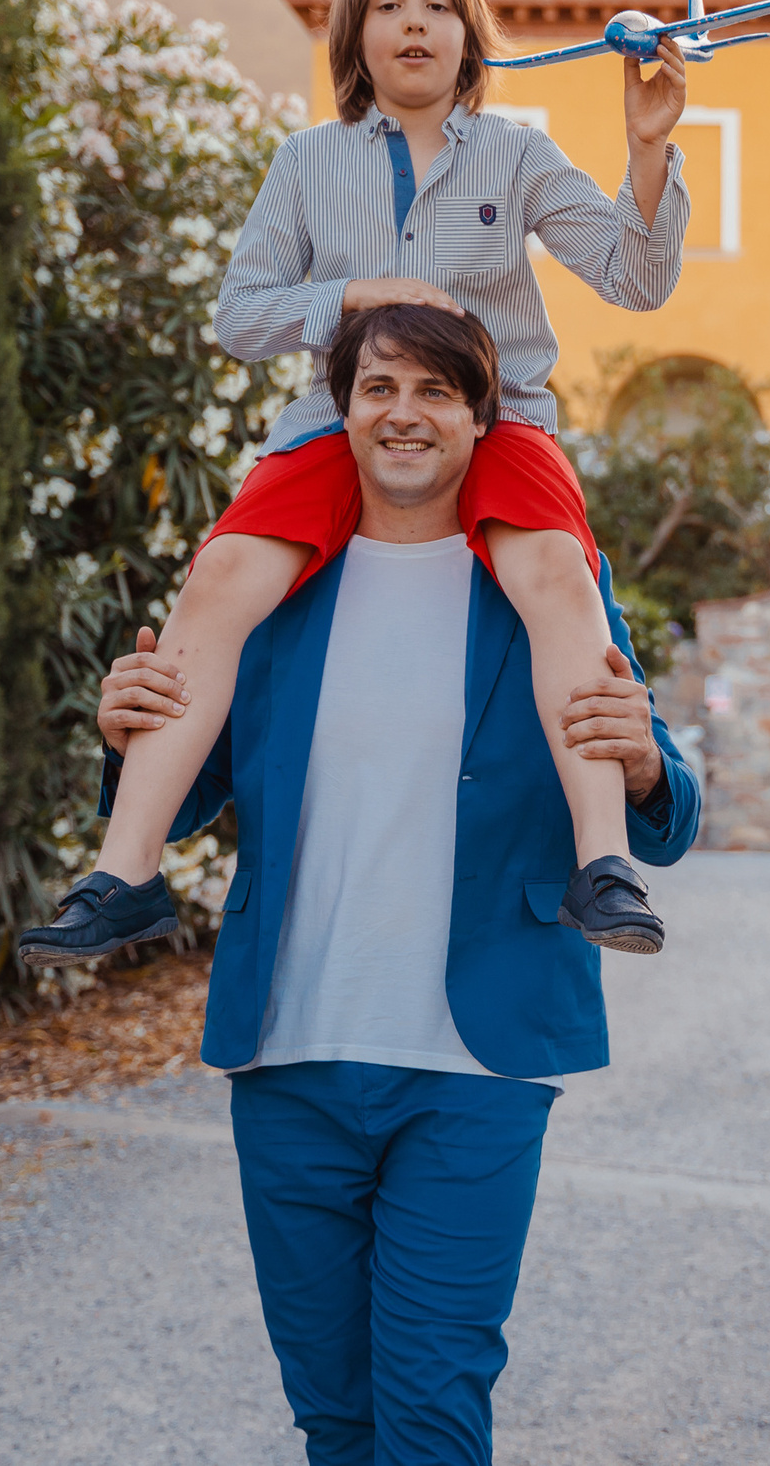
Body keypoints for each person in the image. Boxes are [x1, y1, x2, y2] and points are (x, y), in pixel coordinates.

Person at [86, 301, 698, 1466]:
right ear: (342, 411)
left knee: (429, 1406)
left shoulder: (543, 577)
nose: (403, 414)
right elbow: (202, 776)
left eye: (433, 392)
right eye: (378, 389)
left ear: (481, 418)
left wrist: (645, 761)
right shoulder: (277, 577)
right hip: (291, 1050)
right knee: (334, 1408)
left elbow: (651, 803)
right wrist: (126, 738)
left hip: (476, 1065)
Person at [19, 0, 689, 969]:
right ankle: (125, 875)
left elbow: (635, 279)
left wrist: (647, 151)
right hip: (336, 424)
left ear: (470, 32)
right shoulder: (306, 162)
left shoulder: (518, 154)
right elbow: (241, 317)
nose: (412, 21)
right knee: (223, 575)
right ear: (355, 37)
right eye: (386, 4)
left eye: (434, 2)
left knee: (557, 571)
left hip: (497, 416)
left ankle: (604, 862)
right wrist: (357, 295)